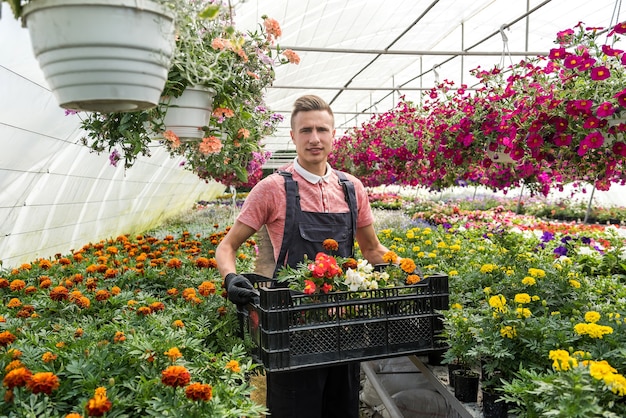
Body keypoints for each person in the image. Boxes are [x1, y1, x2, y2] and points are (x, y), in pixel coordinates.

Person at [216, 94, 390, 418]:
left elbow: (371, 248)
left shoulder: (352, 188)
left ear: (333, 135)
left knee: (343, 410)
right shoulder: (272, 188)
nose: (314, 138)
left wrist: (403, 269)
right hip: (290, 331)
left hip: (344, 329)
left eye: (322, 130)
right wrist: (231, 278)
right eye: (306, 130)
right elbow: (227, 247)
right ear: (293, 136)